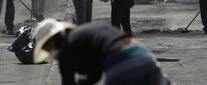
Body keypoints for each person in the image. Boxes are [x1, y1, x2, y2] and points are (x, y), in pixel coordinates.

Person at [33, 18, 171, 85]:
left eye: (47, 48)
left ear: (51, 42)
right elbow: (95, 75)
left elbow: (68, 82)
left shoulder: (67, 49)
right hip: (144, 55)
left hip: (120, 64)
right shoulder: (87, 34)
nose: (50, 52)